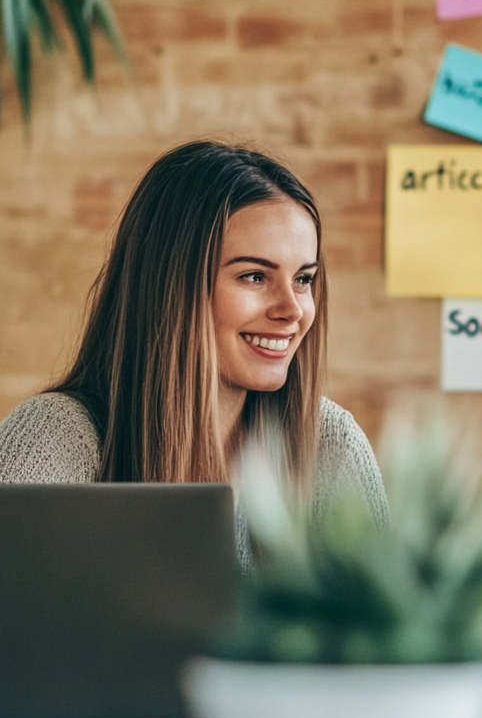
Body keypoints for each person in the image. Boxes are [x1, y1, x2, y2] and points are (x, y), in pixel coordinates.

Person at [0, 140, 389, 568]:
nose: (292, 310)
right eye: (254, 276)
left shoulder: (331, 441)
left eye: (303, 279)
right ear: (170, 288)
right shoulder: (55, 437)